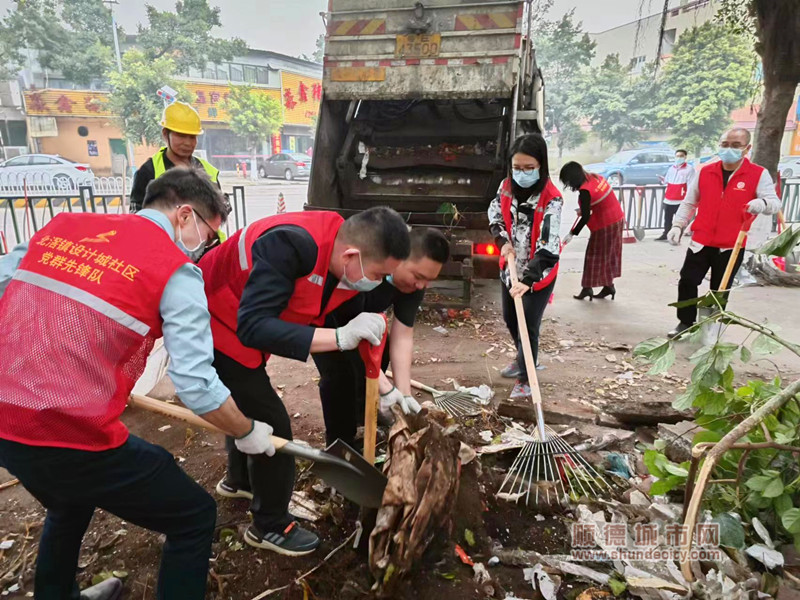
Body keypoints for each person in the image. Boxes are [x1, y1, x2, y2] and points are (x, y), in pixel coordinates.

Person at [0, 168, 275, 600]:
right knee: (194, 516)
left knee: (68, 502)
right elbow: (196, 385)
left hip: (4, 424)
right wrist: (247, 431)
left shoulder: (61, 227)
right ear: (185, 215)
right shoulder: (175, 270)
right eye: (207, 233)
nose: (205, 246)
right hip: (71, 433)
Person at [199, 207, 410, 556]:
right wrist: (340, 337)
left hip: (239, 322)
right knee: (273, 425)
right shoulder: (290, 245)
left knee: (248, 403)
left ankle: (241, 481)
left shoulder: (340, 264)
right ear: (352, 256)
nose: (380, 283)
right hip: (212, 319)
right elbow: (253, 327)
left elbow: (341, 329)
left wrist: (389, 390)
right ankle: (270, 526)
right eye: (379, 274)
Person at [313, 227, 451, 448]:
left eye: (428, 280)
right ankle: (340, 444)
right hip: (329, 323)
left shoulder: (413, 285)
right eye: (418, 277)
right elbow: (350, 344)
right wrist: (386, 387)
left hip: (364, 324)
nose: (420, 286)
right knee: (340, 374)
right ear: (397, 259)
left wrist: (404, 394)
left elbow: (403, 336)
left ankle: (364, 422)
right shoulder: (363, 269)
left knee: (382, 351)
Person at [666, 128, 781, 338]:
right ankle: (685, 322)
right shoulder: (705, 171)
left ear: (747, 149)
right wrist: (678, 225)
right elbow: (690, 201)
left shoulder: (757, 174)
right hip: (701, 239)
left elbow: (774, 203)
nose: (729, 149)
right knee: (687, 281)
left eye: (736, 145)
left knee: (720, 288)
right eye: (725, 144)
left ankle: (712, 325)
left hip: (732, 243)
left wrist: (761, 202)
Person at [488, 134, 563, 399]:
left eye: (529, 168)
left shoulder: (552, 199)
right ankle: (524, 358)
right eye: (517, 168)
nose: (521, 173)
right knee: (511, 318)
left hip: (538, 274)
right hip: (510, 267)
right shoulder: (506, 186)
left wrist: (527, 281)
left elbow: (548, 247)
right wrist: (502, 241)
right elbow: (495, 213)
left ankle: (526, 377)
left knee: (528, 322)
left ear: (541, 165)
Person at [129, 102, 220, 213]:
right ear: (165, 134)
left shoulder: (207, 170)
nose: (187, 143)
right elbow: (137, 216)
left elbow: (222, 208)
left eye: (192, 137)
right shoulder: (148, 172)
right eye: (181, 135)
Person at [559, 161, 625, 301]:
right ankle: (608, 286)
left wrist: (572, 233)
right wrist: (582, 210)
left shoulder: (584, 191)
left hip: (605, 225)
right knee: (608, 255)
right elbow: (595, 202)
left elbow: (586, 216)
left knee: (593, 257)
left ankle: (587, 288)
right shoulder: (595, 177)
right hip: (617, 219)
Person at [656, 149, 695, 241]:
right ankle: (665, 234)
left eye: (681, 156)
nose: (679, 158)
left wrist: (688, 198)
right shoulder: (671, 168)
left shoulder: (689, 169)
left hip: (680, 199)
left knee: (679, 220)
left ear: (685, 157)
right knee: (667, 219)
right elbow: (667, 181)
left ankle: (677, 237)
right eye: (677, 156)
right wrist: (662, 179)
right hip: (669, 198)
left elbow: (691, 184)